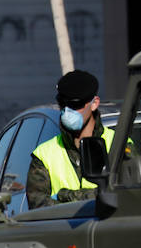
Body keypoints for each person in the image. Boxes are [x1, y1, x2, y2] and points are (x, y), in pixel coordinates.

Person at [26, 69, 115, 210]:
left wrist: (63, 196)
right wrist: (93, 196)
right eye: (63, 104)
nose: (67, 111)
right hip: (62, 230)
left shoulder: (118, 144)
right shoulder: (44, 154)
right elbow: (39, 206)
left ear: (94, 103)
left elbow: (127, 195)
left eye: (75, 105)